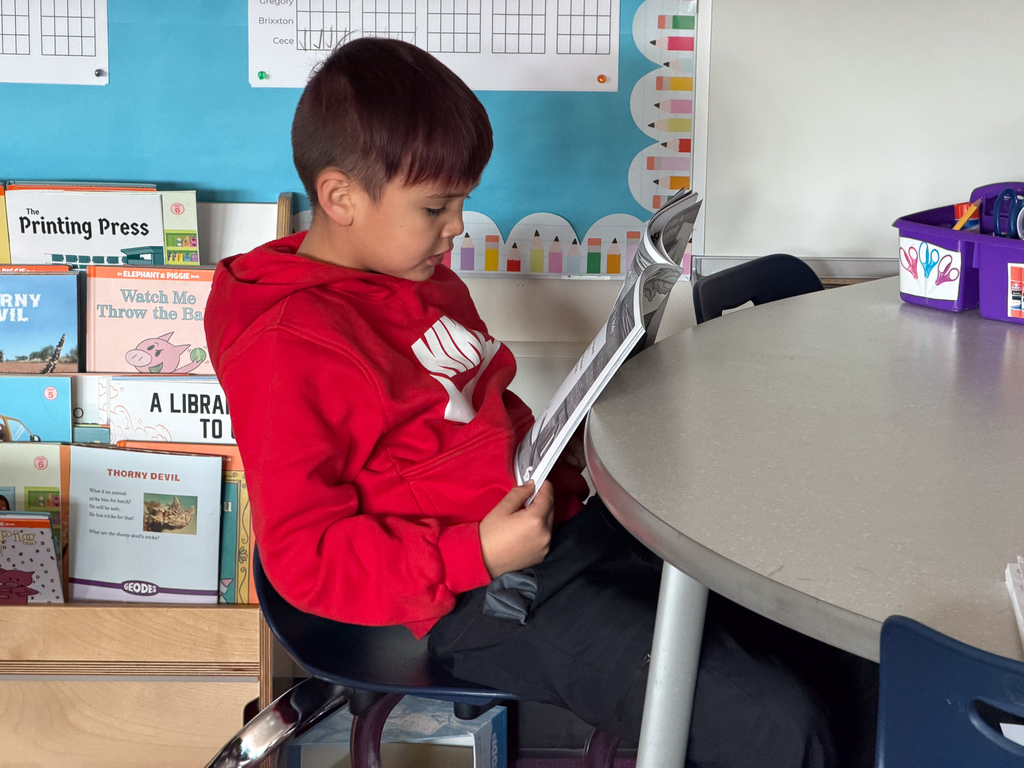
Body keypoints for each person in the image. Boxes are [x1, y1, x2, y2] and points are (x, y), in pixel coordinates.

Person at [204, 37, 876, 767]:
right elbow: (305, 560)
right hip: (479, 597)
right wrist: (475, 552)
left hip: (558, 534)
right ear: (340, 198)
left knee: (841, 647)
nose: (458, 226)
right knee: (772, 724)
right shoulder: (286, 345)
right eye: (436, 207)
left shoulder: (420, 276)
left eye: (462, 201)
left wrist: (563, 456)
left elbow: (478, 414)